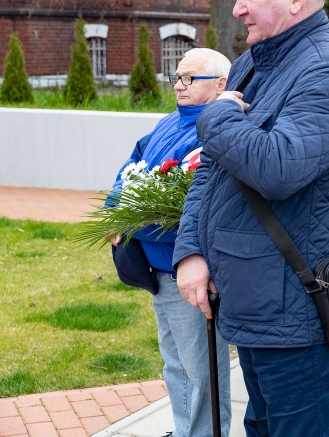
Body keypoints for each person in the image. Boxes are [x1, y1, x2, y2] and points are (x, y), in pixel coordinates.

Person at [173, 0, 329, 436]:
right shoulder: (254, 62)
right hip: (253, 301)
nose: (238, 7)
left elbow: (279, 167)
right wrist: (191, 249)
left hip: (296, 312)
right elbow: (214, 173)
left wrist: (213, 117)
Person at [110, 48, 232, 437]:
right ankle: (186, 430)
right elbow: (130, 171)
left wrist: (130, 224)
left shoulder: (216, 131)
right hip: (160, 272)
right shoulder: (167, 124)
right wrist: (117, 211)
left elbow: (188, 212)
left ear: (220, 84)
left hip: (190, 273)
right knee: (175, 364)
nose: (179, 85)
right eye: (176, 77)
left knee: (202, 372)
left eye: (188, 78)